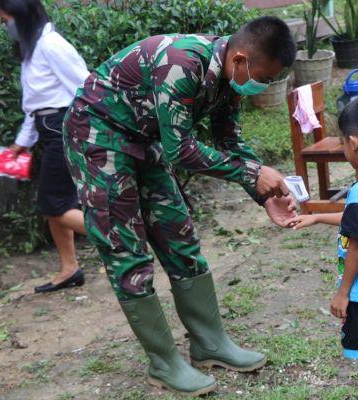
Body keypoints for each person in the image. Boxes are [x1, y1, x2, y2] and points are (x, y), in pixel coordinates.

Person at [63, 16, 297, 395]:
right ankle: (163, 363)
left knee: (179, 234)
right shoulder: (182, 63)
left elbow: (228, 140)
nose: (264, 86)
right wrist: (253, 173)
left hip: (144, 138)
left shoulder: (230, 79)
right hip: (98, 134)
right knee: (127, 250)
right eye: (264, 77)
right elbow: (182, 150)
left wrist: (265, 194)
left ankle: (209, 344)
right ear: (240, 60)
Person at [285, 95, 358, 400]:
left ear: (354, 142)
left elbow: (357, 245)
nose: (343, 149)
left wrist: (343, 292)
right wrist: (316, 217)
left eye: (342, 144)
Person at [0, 0, 89, 292]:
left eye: (6, 20)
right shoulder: (33, 47)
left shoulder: (51, 46)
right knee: (55, 203)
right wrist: (20, 144)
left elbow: (86, 87)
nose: (5, 27)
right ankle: (69, 268)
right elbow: (34, 106)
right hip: (48, 130)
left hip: (62, 130)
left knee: (53, 204)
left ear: (22, 16)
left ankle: (123, 238)